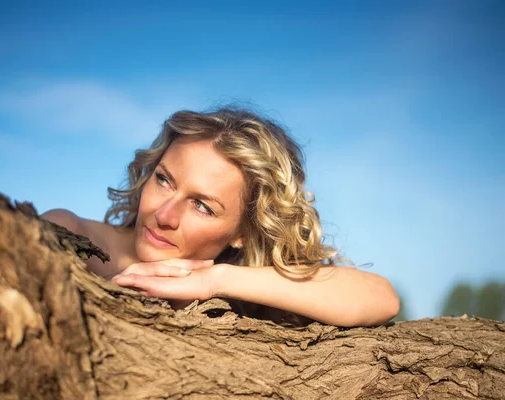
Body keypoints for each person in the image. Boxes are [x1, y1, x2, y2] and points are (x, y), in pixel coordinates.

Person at [42, 106, 399, 327]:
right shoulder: (72, 236)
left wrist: (216, 281)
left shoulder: (239, 286)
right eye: (164, 180)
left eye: (202, 205)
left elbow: (382, 299)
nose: (164, 215)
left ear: (242, 232)